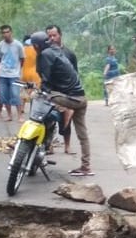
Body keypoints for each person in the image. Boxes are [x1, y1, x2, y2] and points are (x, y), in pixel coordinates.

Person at [31, 31, 92, 176]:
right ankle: (86, 167)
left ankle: (34, 141)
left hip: (70, 98)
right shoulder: (57, 51)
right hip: (81, 98)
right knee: (83, 135)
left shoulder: (45, 55)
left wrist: (40, 90)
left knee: (38, 99)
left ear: (35, 45)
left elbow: (45, 81)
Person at [46, 24, 79, 155]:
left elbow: (75, 74)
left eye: (54, 35)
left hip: (66, 92)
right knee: (48, 119)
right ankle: (49, 145)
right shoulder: (46, 53)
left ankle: (67, 145)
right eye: (49, 36)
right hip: (51, 91)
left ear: (60, 35)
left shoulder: (70, 54)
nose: (52, 38)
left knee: (67, 120)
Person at [0, 25, 26, 122]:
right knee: (4, 95)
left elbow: (22, 59)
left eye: (7, 32)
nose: (6, 34)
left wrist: (18, 70)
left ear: (11, 32)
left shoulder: (18, 45)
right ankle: (9, 115)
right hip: (3, 74)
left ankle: (20, 116)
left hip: (15, 74)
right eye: (3, 33)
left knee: (16, 95)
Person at [20, 34, 41, 112]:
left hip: (24, 73)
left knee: (24, 90)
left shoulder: (22, 49)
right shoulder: (36, 50)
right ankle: (33, 109)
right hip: (35, 73)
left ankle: (22, 108)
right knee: (34, 91)